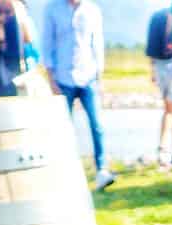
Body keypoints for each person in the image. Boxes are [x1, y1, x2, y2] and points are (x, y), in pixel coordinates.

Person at [42, 0, 114, 191]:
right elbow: (47, 44)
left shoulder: (92, 10)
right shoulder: (52, 9)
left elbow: (97, 44)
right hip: (63, 77)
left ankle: (102, 170)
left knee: (97, 125)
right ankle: (64, 171)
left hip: (88, 76)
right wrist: (51, 79)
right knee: (63, 127)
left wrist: (100, 78)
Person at [147, 4, 172, 167]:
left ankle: (163, 149)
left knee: (168, 110)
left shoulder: (157, 16)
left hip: (160, 66)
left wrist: (152, 70)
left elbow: (150, 48)